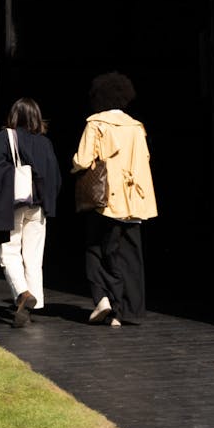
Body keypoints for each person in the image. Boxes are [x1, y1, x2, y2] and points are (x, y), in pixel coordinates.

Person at [71, 71, 157, 327]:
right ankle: (125, 312)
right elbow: (145, 161)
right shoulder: (136, 127)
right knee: (129, 256)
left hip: (106, 200)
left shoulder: (96, 124)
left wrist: (74, 165)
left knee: (96, 250)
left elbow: (84, 159)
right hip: (134, 201)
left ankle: (103, 300)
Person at [0, 96, 62, 326]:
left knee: (9, 251)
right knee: (33, 256)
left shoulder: (6, 137)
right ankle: (32, 303)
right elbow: (56, 178)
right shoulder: (45, 143)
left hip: (12, 205)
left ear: (14, 115)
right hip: (39, 206)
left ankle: (22, 293)